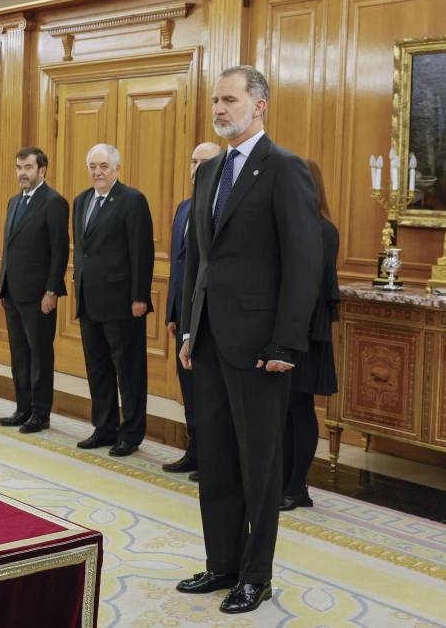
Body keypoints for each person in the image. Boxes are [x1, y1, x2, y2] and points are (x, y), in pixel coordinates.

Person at [176, 66, 322, 614]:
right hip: (210, 338)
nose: (219, 108)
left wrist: (286, 344)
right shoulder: (209, 171)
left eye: (229, 100)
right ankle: (222, 564)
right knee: (214, 456)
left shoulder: (285, 169)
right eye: (215, 100)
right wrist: (190, 327)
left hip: (262, 347)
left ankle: (254, 576)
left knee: (259, 464)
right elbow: (200, 261)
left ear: (259, 105)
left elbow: (303, 262)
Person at [72, 143, 154, 457]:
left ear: (117, 168)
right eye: (93, 166)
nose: (98, 172)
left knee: (129, 370)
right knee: (98, 368)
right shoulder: (81, 201)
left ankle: (131, 433)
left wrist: (140, 297)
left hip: (122, 302)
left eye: (104, 166)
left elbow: (141, 252)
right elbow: (83, 250)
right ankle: (104, 427)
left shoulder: (132, 201)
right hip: (89, 300)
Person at [0, 147, 70, 433]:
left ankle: (40, 414)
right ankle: (22, 407)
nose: (22, 173)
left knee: (40, 355)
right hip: (12, 292)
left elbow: (58, 252)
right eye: (19, 167)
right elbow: (8, 247)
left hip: (39, 295)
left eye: (28, 168)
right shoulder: (13, 202)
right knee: (19, 354)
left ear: (42, 170)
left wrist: (52, 291)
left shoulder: (54, 203)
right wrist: (2, 284)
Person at [281, 159, 339, 511]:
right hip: (287, 328)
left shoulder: (323, 229)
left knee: (299, 405)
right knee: (283, 408)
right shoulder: (291, 225)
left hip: (307, 330)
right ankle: (284, 481)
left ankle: (297, 486)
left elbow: (313, 285)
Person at [162, 141, 222, 481]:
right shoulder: (184, 207)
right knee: (189, 389)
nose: (196, 168)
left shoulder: (221, 209)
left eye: (205, 162)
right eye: (193, 161)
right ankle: (195, 450)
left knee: (210, 392)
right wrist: (173, 312)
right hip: (184, 316)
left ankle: (213, 458)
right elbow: (179, 267)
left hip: (210, 318)